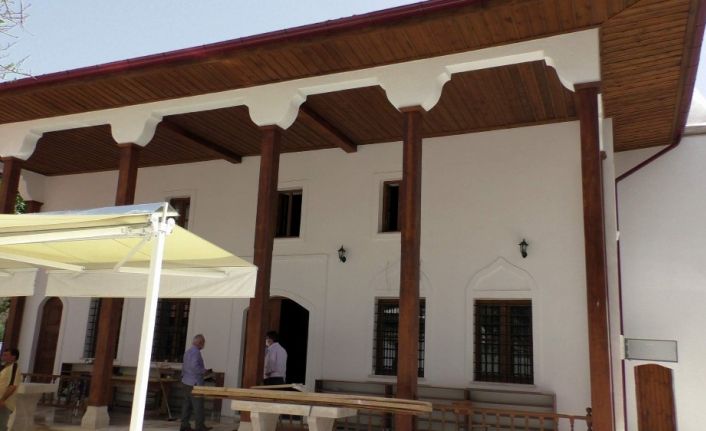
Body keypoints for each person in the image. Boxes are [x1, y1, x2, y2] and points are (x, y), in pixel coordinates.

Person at [180, 335, 211, 431]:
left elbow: (184, 366)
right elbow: (194, 366)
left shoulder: (188, 352)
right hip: (194, 383)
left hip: (185, 381)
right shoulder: (196, 353)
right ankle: (199, 426)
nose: (204, 345)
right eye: (203, 343)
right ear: (200, 343)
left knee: (186, 405)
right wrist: (203, 371)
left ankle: (184, 425)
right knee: (198, 406)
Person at [0, 348, 21, 431]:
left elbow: (12, 386)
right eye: (3, 354)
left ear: (13, 357)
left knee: (1, 425)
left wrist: (2, 400)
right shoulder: (4, 367)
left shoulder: (14, 368)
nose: (3, 356)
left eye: (6, 355)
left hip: (5, 403)